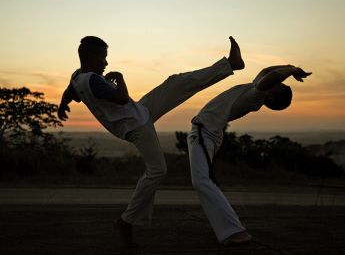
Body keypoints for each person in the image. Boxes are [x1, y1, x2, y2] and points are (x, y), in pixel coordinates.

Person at [57, 35, 245, 246]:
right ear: (90, 58)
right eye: (103, 58)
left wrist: (62, 105)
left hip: (140, 112)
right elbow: (121, 98)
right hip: (136, 125)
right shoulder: (92, 79)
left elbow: (69, 91)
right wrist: (120, 78)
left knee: (177, 82)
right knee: (158, 170)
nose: (106, 63)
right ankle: (126, 221)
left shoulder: (77, 77)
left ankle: (230, 64)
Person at [187, 63, 311, 245]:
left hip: (204, 133)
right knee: (205, 180)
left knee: (201, 181)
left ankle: (235, 232)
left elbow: (272, 76)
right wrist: (288, 66)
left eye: (280, 85)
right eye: (281, 83)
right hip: (204, 132)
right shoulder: (253, 90)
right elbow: (266, 72)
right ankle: (227, 227)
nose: (279, 82)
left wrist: (291, 71)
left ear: (271, 94)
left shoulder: (255, 96)